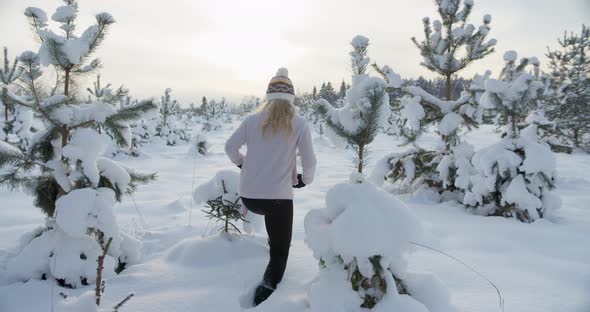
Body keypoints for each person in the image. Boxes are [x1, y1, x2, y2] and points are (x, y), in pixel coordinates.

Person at [225, 67, 317, 306]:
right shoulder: (299, 123)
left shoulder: (251, 121)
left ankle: (272, 241)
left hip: (249, 197)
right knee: (280, 250)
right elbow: (309, 161)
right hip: (277, 199)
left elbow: (229, 147)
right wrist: (305, 180)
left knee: (272, 221)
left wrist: (242, 164)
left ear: (269, 97)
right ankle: (265, 291)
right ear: (290, 99)